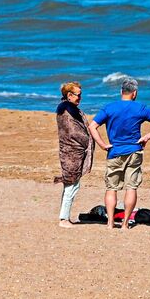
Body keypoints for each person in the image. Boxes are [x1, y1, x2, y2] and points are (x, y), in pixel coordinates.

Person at [90, 77, 150, 230]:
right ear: (134, 93)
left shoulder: (110, 107)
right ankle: (124, 224)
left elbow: (92, 126)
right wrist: (146, 137)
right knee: (131, 187)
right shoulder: (140, 108)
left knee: (111, 188)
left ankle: (110, 223)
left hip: (114, 151)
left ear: (121, 92)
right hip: (134, 151)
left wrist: (103, 144)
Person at [54, 82, 95, 227]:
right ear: (69, 95)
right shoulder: (67, 112)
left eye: (81, 94)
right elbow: (73, 132)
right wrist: (89, 139)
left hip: (72, 152)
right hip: (71, 153)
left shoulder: (70, 109)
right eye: (78, 95)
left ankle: (64, 216)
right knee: (72, 185)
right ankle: (64, 219)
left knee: (70, 185)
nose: (80, 98)